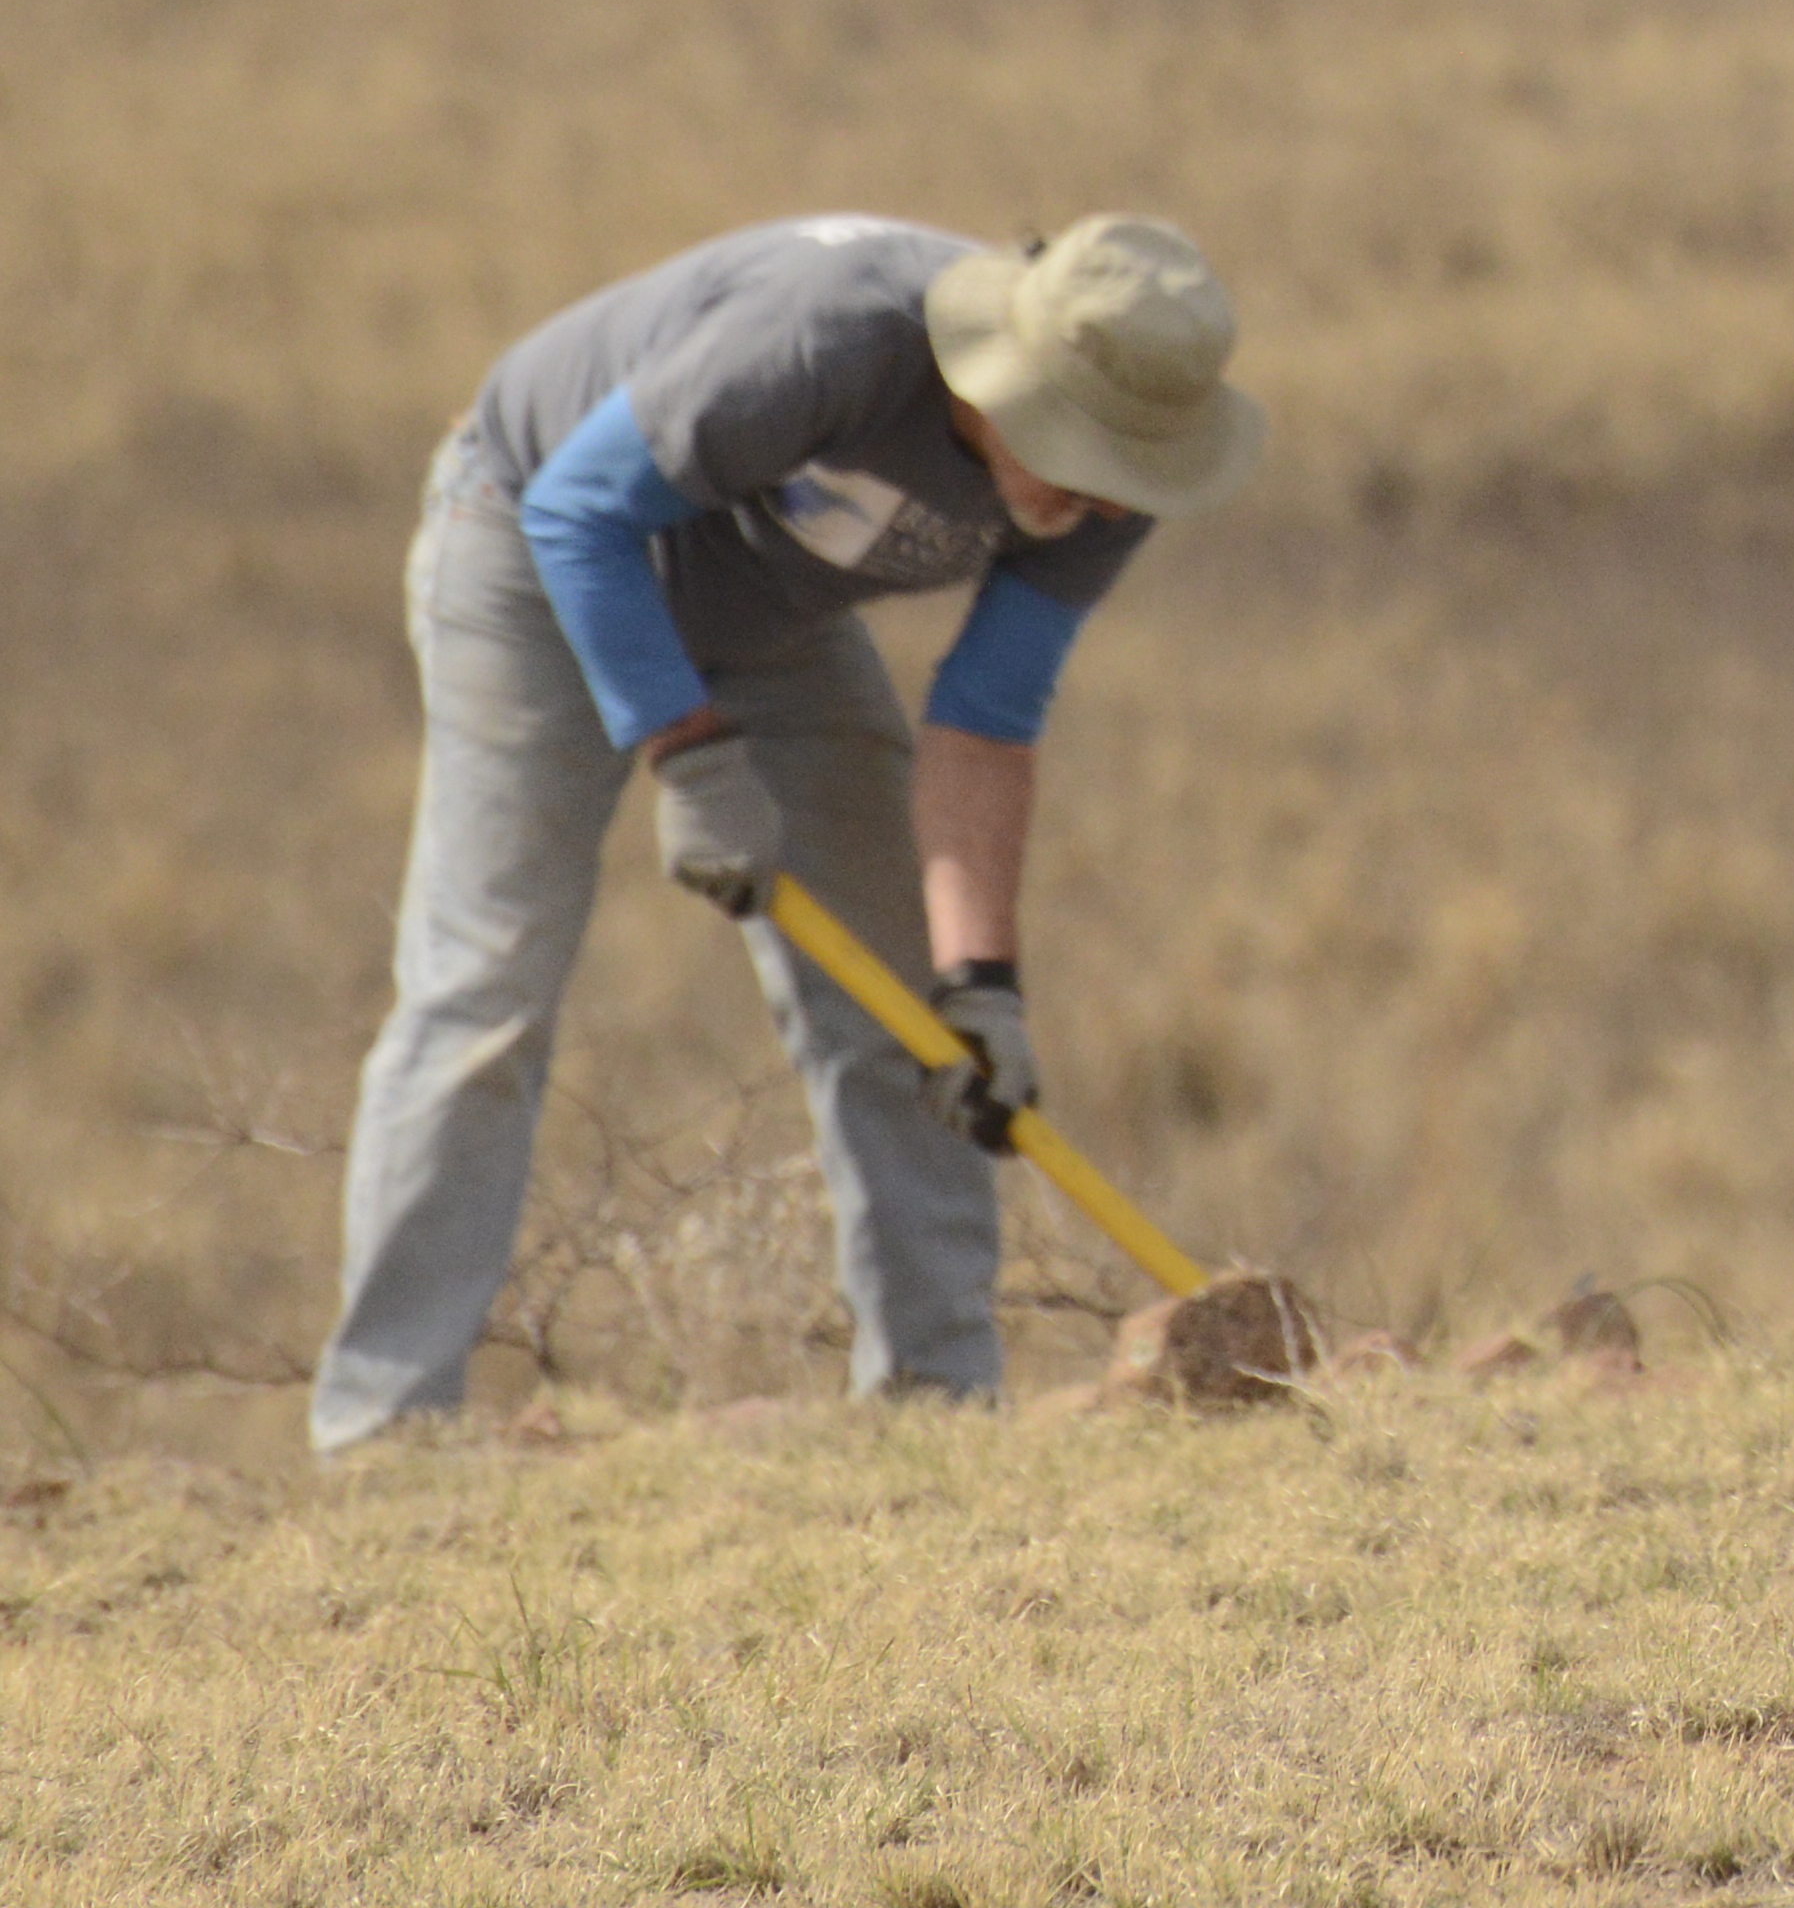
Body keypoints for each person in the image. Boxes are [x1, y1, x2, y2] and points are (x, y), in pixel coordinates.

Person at [310, 211, 1261, 1453]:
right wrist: (689, 750)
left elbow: (986, 715)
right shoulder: (830, 340)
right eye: (1068, 453)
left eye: (1115, 473)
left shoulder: (1119, 478)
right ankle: (385, 1429)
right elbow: (579, 510)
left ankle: (939, 1411)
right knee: (486, 988)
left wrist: (984, 982)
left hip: (770, 605)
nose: (1083, 501)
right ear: (1000, 380)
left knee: (907, 1016)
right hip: (534, 545)